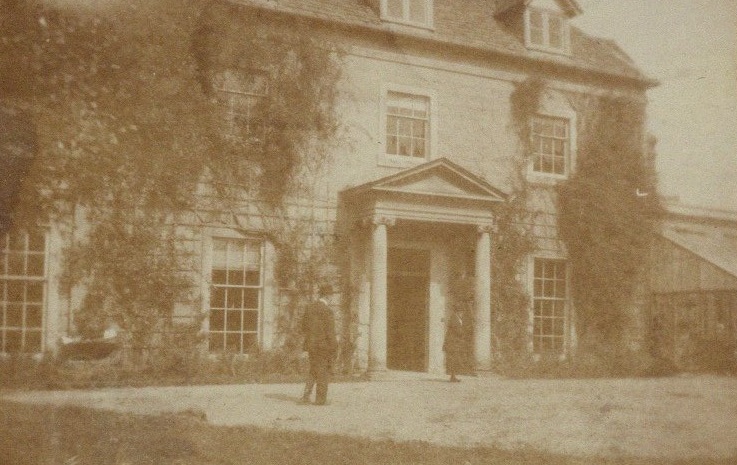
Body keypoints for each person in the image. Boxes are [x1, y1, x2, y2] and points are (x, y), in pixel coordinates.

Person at [300, 284, 337, 405]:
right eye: (331, 296)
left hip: (311, 345)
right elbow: (330, 332)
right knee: (323, 372)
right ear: (328, 296)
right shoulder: (327, 311)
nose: (331, 298)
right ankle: (320, 400)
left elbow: (303, 327)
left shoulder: (309, 308)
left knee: (313, 369)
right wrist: (334, 347)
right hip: (323, 346)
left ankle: (306, 396)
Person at [443, 307, 465, 382]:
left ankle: (453, 376)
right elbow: (457, 331)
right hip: (452, 343)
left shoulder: (456, 318)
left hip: (454, 343)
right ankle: (452, 377)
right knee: (453, 359)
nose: (462, 313)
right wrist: (463, 333)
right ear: (458, 311)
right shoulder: (454, 319)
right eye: (461, 311)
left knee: (454, 360)